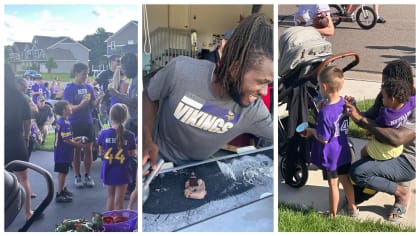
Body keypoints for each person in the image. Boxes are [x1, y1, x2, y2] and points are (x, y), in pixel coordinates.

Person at [143, 13, 273, 168]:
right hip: (154, 164)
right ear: (235, 69)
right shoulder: (180, 70)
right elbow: (149, 96)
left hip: (196, 175)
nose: (265, 92)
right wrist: (146, 139)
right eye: (261, 82)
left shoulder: (254, 111)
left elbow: (275, 141)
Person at [344, 59, 415, 222]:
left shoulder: (415, 103)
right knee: (364, 155)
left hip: (407, 159)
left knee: (357, 172)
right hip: (386, 152)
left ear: (399, 84)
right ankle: (370, 187)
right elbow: (366, 119)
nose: (381, 85)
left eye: (385, 82)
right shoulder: (386, 94)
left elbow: (397, 139)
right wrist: (354, 109)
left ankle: (402, 193)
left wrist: (362, 120)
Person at [300, 66, 358, 217]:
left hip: (331, 155)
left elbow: (324, 139)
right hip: (344, 150)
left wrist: (312, 131)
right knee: (346, 180)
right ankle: (353, 208)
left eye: (319, 85)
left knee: (333, 183)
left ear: (324, 86)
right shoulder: (344, 104)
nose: (319, 88)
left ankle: (332, 214)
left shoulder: (325, 113)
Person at [4, 64, 40, 221]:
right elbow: (27, 122)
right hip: (15, 140)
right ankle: (28, 213)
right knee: (23, 178)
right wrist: (25, 138)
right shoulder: (20, 97)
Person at [64, 62, 104, 188]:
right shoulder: (69, 88)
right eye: (83, 74)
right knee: (76, 149)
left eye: (87, 74)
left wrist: (99, 98)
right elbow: (68, 108)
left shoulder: (89, 87)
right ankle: (77, 176)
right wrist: (81, 105)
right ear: (76, 73)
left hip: (88, 122)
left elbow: (93, 105)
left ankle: (87, 175)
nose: (86, 77)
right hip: (75, 123)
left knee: (88, 149)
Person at [359, 78, 415, 161]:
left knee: (363, 152)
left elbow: (374, 127)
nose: (382, 99)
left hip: (383, 147)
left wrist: (368, 131)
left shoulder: (385, 114)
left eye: (384, 97)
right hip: (398, 148)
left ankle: (370, 167)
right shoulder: (410, 102)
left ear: (392, 99)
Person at [97, 103, 136, 210]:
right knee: (119, 201)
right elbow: (132, 153)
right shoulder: (130, 135)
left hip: (108, 168)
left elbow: (101, 152)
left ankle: (108, 223)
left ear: (111, 117)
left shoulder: (103, 133)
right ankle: (118, 224)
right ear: (125, 117)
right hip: (122, 170)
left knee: (110, 198)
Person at [53, 100, 87, 203]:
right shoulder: (65, 123)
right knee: (63, 173)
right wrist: (79, 145)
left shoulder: (61, 121)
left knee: (64, 172)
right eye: (69, 106)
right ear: (64, 110)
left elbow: (67, 137)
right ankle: (60, 193)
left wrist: (77, 139)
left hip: (61, 151)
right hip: (63, 152)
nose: (71, 107)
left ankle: (62, 189)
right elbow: (66, 140)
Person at [95, 55, 121, 124]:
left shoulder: (121, 74)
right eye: (118, 61)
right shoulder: (104, 74)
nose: (119, 63)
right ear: (111, 62)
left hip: (117, 103)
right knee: (106, 125)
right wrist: (98, 92)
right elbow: (93, 85)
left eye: (120, 61)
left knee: (117, 124)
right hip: (106, 103)